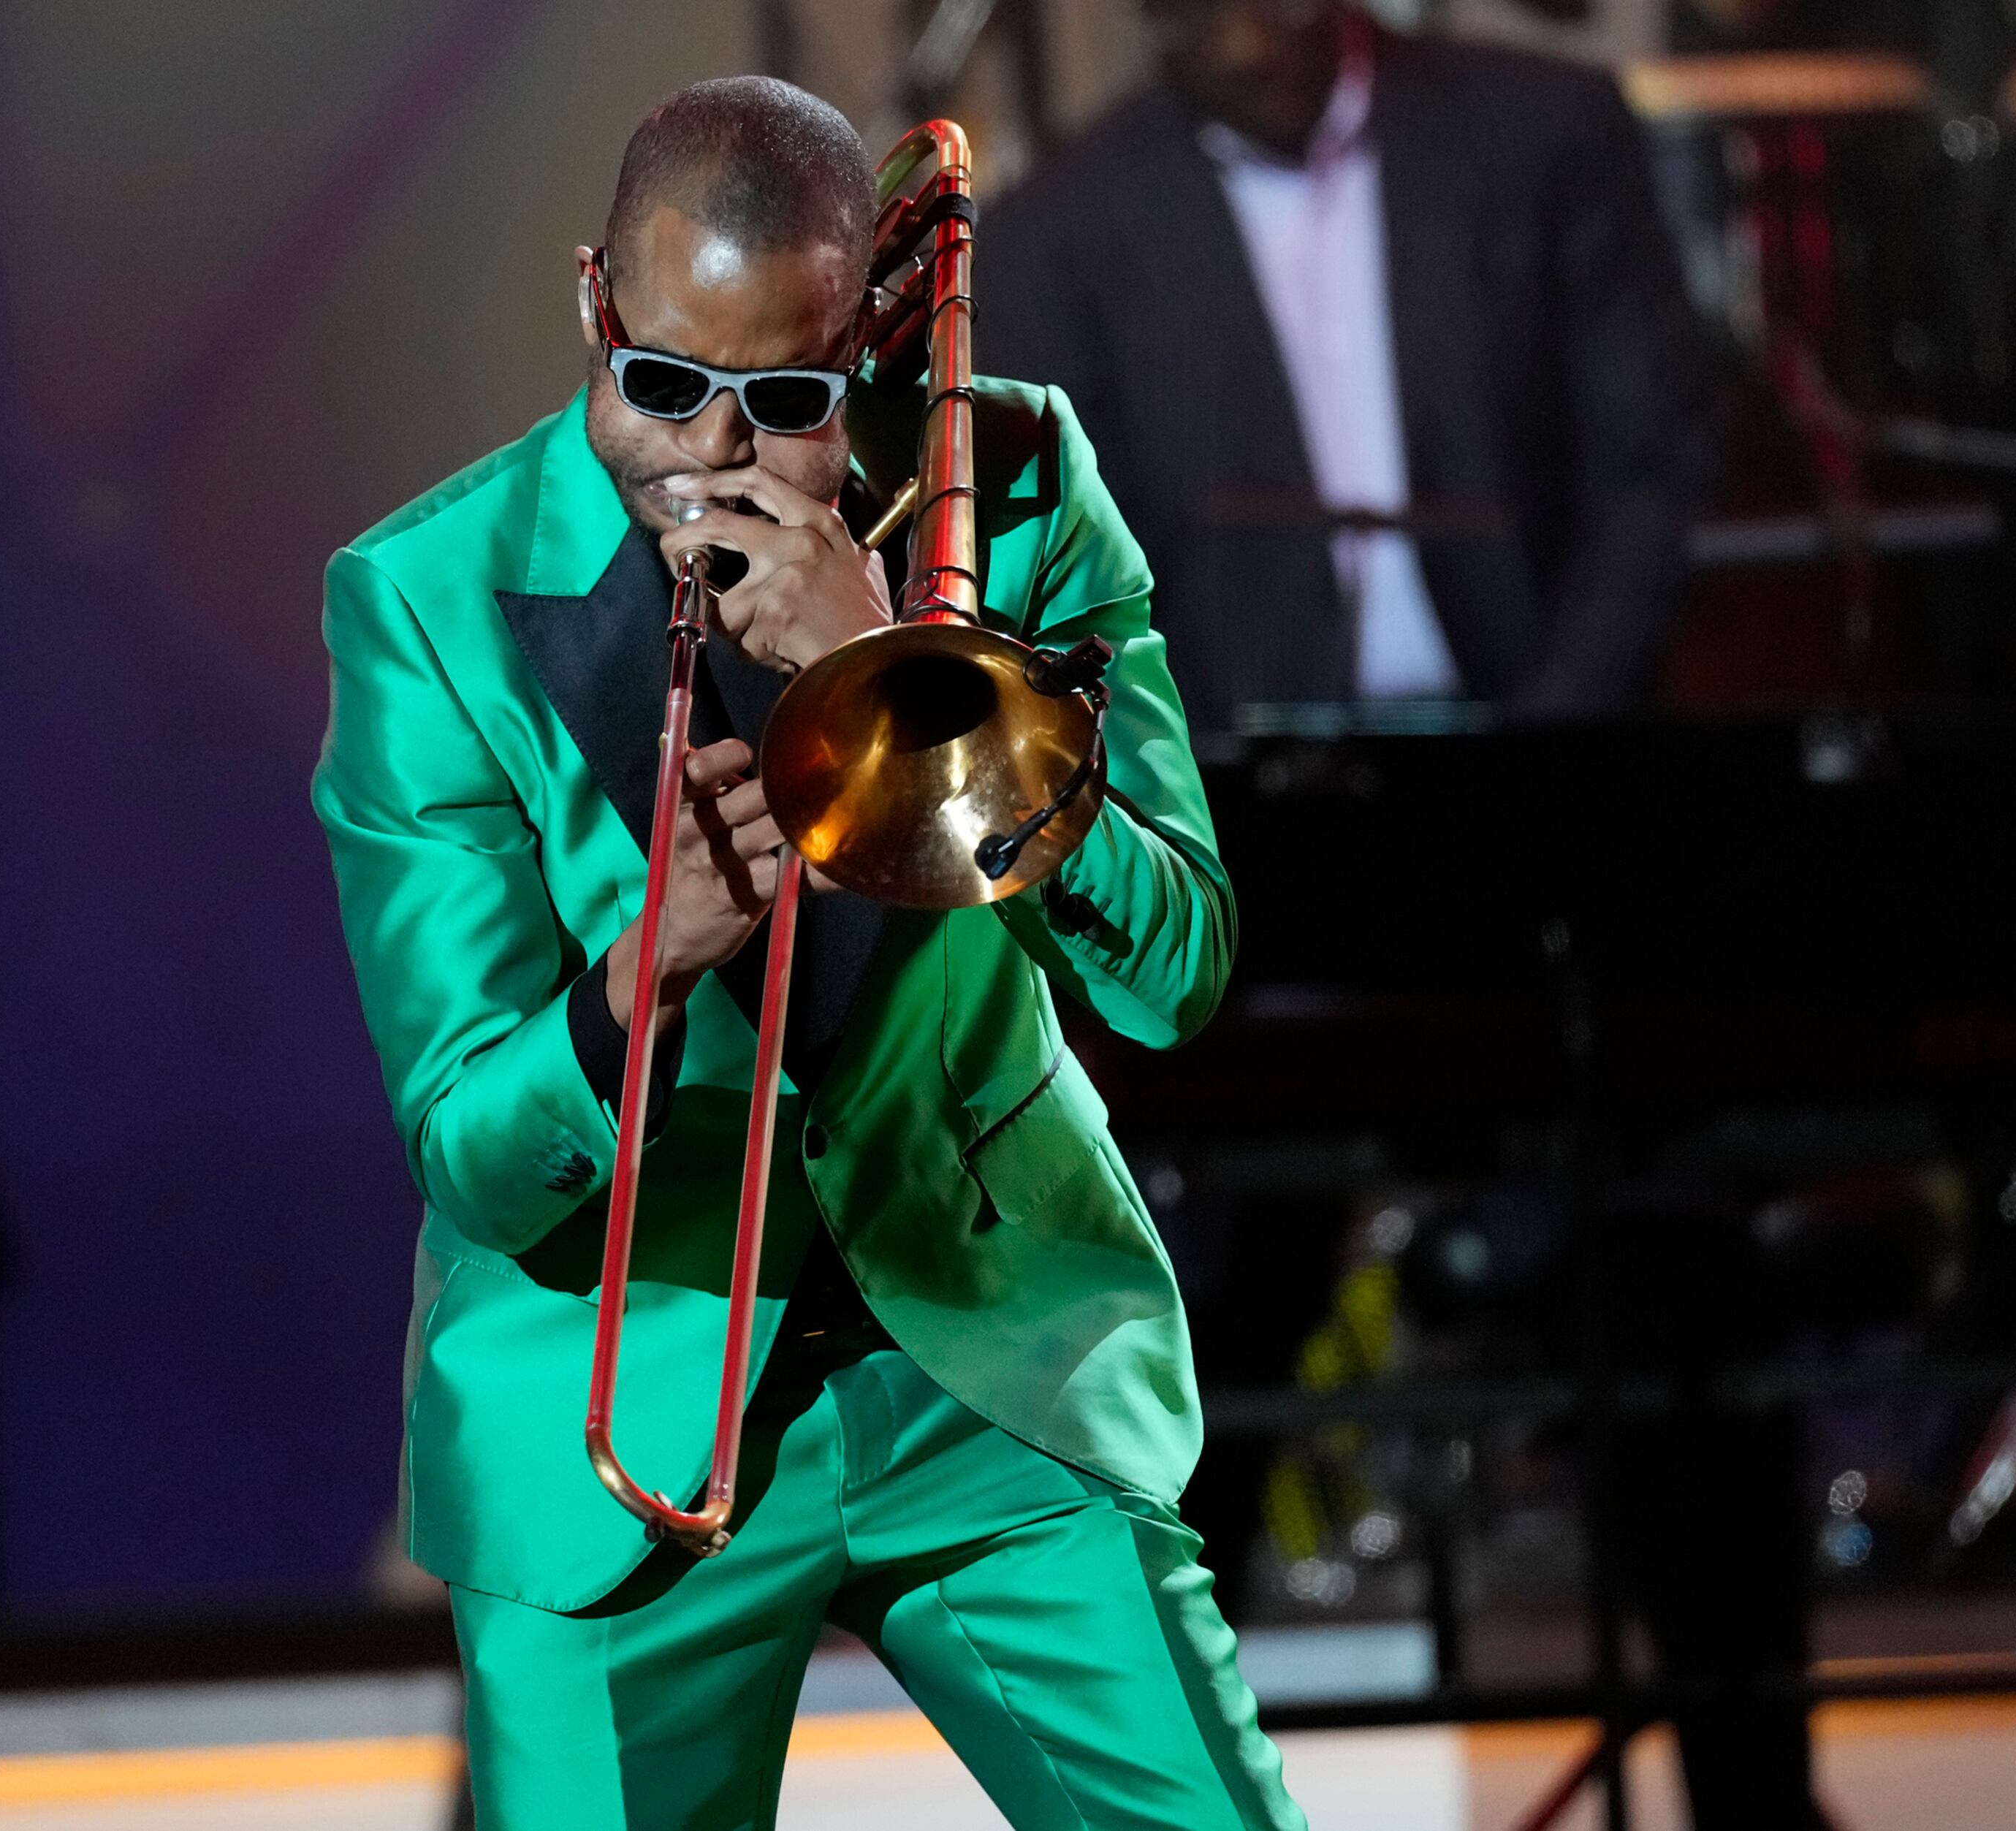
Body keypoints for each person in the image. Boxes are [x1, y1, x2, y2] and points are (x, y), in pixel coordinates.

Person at [313, 75, 1298, 1831]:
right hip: (625, 1423)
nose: (706, 453)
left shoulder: (1007, 488)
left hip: (986, 1354)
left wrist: (921, 685)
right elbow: (471, 1147)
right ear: (593, 303)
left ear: (864, 349)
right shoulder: (423, 600)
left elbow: (1176, 972)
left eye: (782, 403)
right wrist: (648, 970)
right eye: (659, 384)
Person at [978, 0, 1712, 728]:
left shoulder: (1546, 133)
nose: (1248, 48)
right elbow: (1065, 565)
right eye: (1195, 16)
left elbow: (1650, 460)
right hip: (1225, 764)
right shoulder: (1054, 230)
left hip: (1560, 728)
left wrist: (1564, 718)